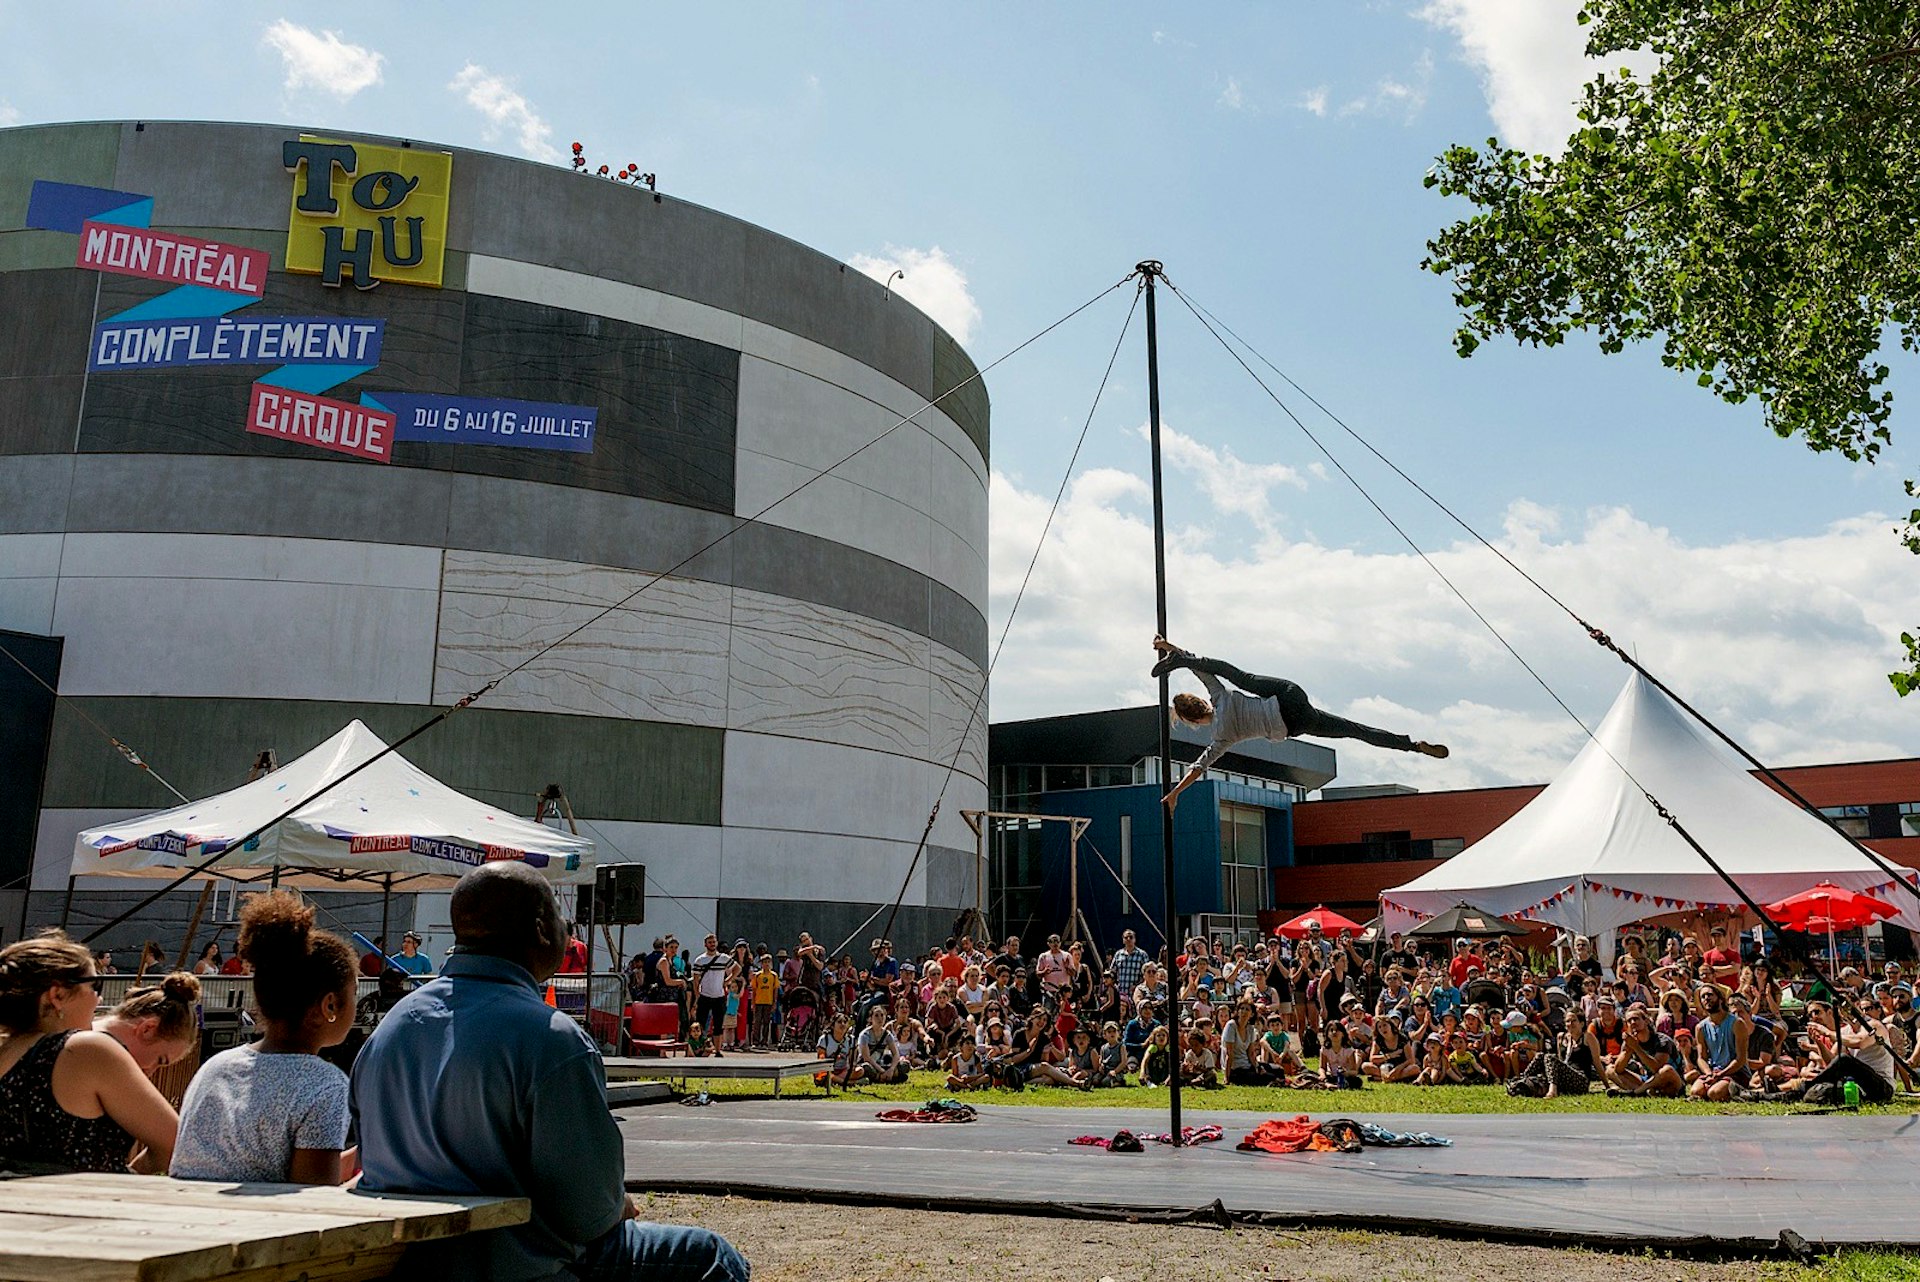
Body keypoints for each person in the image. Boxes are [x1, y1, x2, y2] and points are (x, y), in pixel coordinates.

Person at [351, 862, 747, 1281]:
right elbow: (590, 1215)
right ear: (542, 929)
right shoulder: (552, 1038)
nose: (566, 927)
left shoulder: (391, 1029)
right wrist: (617, 1205)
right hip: (522, 1265)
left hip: (407, 1264)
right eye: (560, 916)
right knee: (712, 1257)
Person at [172, 892, 358, 1185]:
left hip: (186, 1220)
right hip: (256, 1226)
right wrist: (370, 1178)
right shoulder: (325, 1085)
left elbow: (244, 1164)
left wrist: (362, 1156)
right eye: (354, 994)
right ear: (330, 1006)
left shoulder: (216, 1068)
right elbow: (313, 1200)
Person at [1151, 637, 1448, 808]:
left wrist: (1176, 793)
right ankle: (1411, 745)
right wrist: (1172, 649)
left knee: (1352, 731)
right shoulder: (1219, 695)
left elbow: (1199, 766)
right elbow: (1205, 670)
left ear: (1192, 720)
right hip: (1289, 697)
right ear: (1201, 704)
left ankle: (1414, 746)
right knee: (1239, 677)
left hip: (1295, 724)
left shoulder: (1221, 738)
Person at [0, 931, 179, 1174]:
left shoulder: (7, 1051)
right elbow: (178, 1144)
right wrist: (129, 1175)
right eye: (94, 985)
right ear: (58, 995)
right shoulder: (88, 1050)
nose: (100, 998)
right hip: (80, 1206)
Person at [93, 972, 200, 1076]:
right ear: (147, 1029)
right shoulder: (96, 1057)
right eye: (160, 1060)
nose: (149, 1072)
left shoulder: (84, 1030)